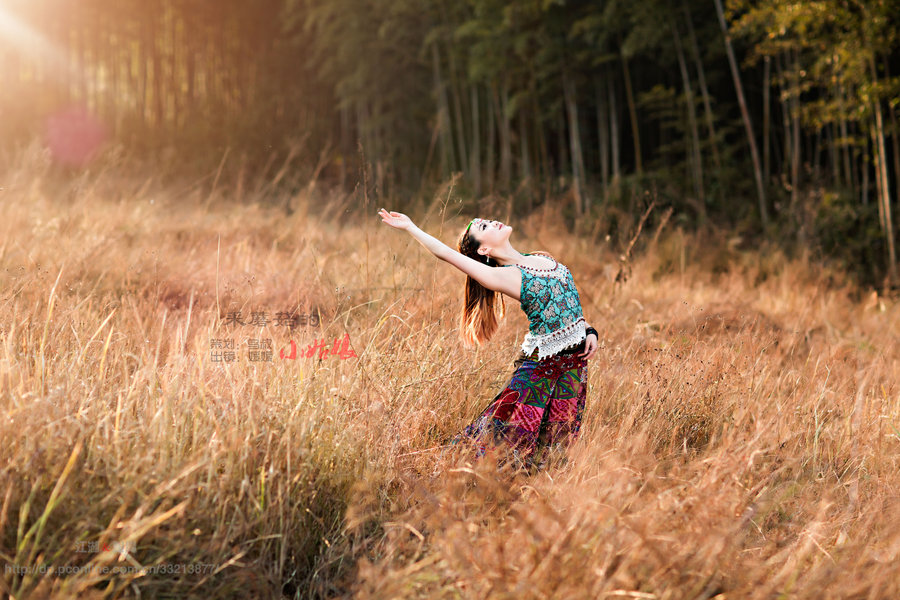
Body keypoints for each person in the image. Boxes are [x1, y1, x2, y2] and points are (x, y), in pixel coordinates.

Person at [378, 209, 599, 469]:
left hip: (574, 366)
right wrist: (411, 227)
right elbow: (446, 254)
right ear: (483, 251)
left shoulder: (539, 258)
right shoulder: (502, 275)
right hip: (541, 368)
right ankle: (442, 469)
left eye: (486, 221)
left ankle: (538, 496)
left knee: (558, 445)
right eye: (483, 228)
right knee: (503, 437)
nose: (491, 222)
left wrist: (588, 330)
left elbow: (565, 301)